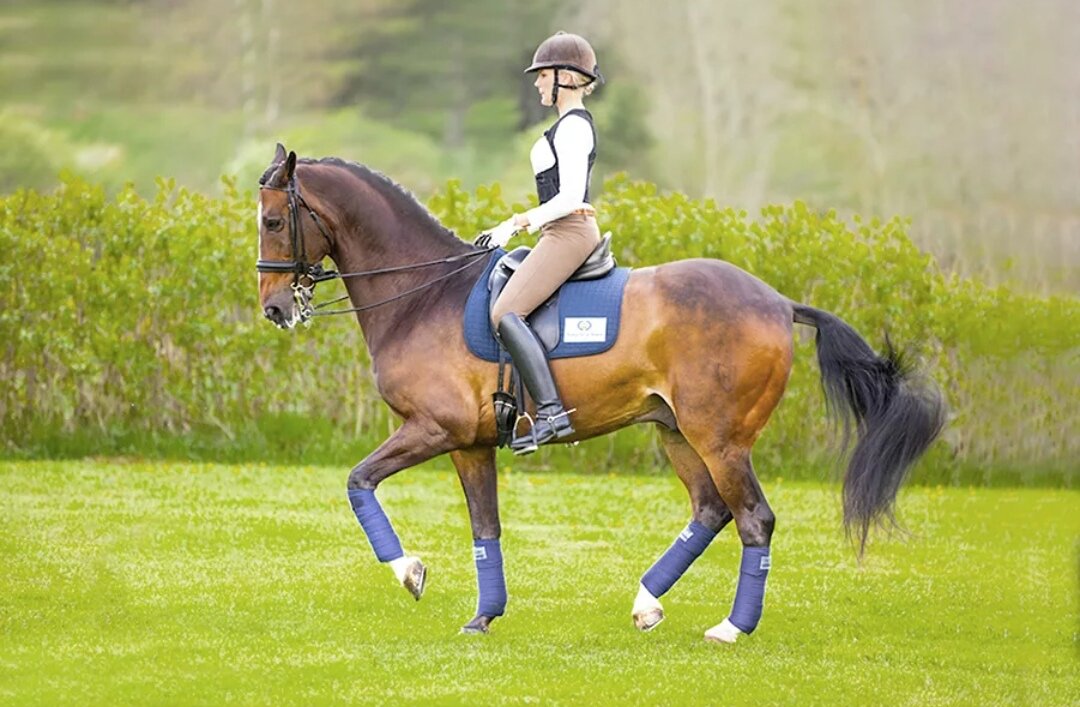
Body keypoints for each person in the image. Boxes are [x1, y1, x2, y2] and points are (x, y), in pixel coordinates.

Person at [476, 31, 605, 456]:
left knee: (505, 312)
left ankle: (551, 412)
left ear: (565, 77)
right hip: (559, 230)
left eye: (542, 75)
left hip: (568, 232)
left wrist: (513, 225)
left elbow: (569, 198)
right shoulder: (564, 126)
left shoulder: (573, 128)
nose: (536, 84)